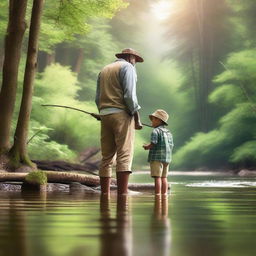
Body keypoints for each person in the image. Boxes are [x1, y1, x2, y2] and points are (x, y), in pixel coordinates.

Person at [95, 48, 144, 196]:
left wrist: (102, 112)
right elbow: (129, 95)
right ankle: (123, 194)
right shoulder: (127, 67)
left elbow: (98, 98)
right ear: (130, 57)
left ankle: (105, 194)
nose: (135, 63)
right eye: (135, 59)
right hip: (121, 114)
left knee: (107, 156)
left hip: (105, 114)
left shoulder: (104, 69)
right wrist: (135, 114)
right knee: (124, 154)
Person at [143, 109, 174, 195]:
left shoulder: (155, 131)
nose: (151, 121)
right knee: (164, 177)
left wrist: (147, 147)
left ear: (158, 120)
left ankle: (157, 195)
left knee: (157, 177)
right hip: (167, 158)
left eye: (153, 119)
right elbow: (171, 145)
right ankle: (164, 195)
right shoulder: (168, 132)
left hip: (157, 158)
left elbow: (154, 143)